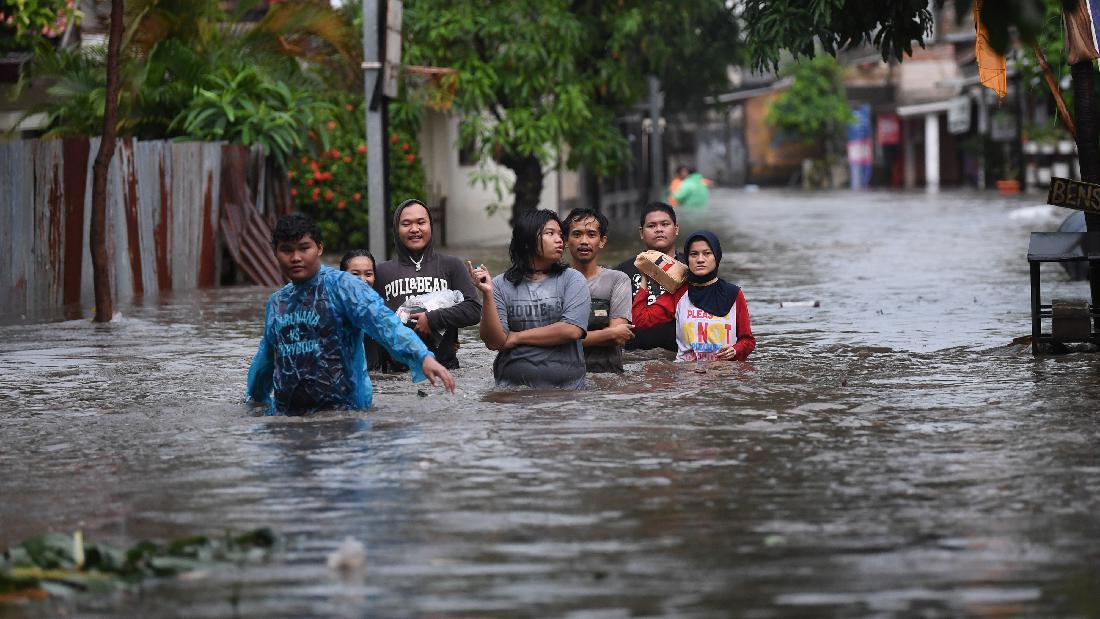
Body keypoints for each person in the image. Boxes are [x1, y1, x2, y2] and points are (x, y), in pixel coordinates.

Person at [245, 214, 454, 415]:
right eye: (286, 250)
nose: (296, 258)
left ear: (319, 248)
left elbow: (384, 324)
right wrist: (254, 399)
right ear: (275, 252)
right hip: (288, 418)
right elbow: (266, 358)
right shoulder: (277, 303)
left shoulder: (345, 287)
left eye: (304, 248)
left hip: (345, 414)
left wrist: (421, 356)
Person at [468, 209, 590, 389]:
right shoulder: (500, 285)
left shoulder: (572, 279)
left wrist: (517, 337)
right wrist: (487, 294)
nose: (560, 240)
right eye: (550, 233)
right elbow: (494, 342)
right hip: (511, 390)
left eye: (560, 235)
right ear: (527, 241)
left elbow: (571, 330)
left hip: (567, 391)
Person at [373, 199, 482, 371]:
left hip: (445, 370)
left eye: (421, 222)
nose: (414, 229)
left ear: (431, 226)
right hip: (398, 373)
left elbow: (474, 310)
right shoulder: (380, 272)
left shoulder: (451, 266)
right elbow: (369, 322)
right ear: (396, 229)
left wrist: (432, 319)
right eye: (406, 224)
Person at [632, 230, 755, 363]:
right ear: (687, 259)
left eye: (707, 253)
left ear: (717, 256)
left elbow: (747, 340)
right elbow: (640, 320)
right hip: (686, 375)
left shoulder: (734, 294)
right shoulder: (679, 293)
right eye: (694, 254)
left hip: (724, 376)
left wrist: (736, 350)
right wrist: (645, 277)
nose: (700, 259)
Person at [563, 207, 633, 373]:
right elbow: (614, 333)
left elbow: (619, 337)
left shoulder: (618, 280)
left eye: (591, 235)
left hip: (608, 374)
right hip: (565, 374)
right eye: (577, 234)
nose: (584, 241)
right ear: (565, 240)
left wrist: (564, 339)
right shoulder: (557, 281)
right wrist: (607, 334)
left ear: (602, 241)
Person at [615, 202, 682, 352]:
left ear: (676, 229)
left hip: (680, 357)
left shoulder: (690, 269)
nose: (659, 229)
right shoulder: (622, 272)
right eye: (651, 226)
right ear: (641, 232)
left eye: (665, 224)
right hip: (635, 358)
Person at [339, 249, 381, 370]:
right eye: (355, 274)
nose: (362, 280)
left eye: (368, 274)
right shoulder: (332, 311)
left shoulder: (381, 311)